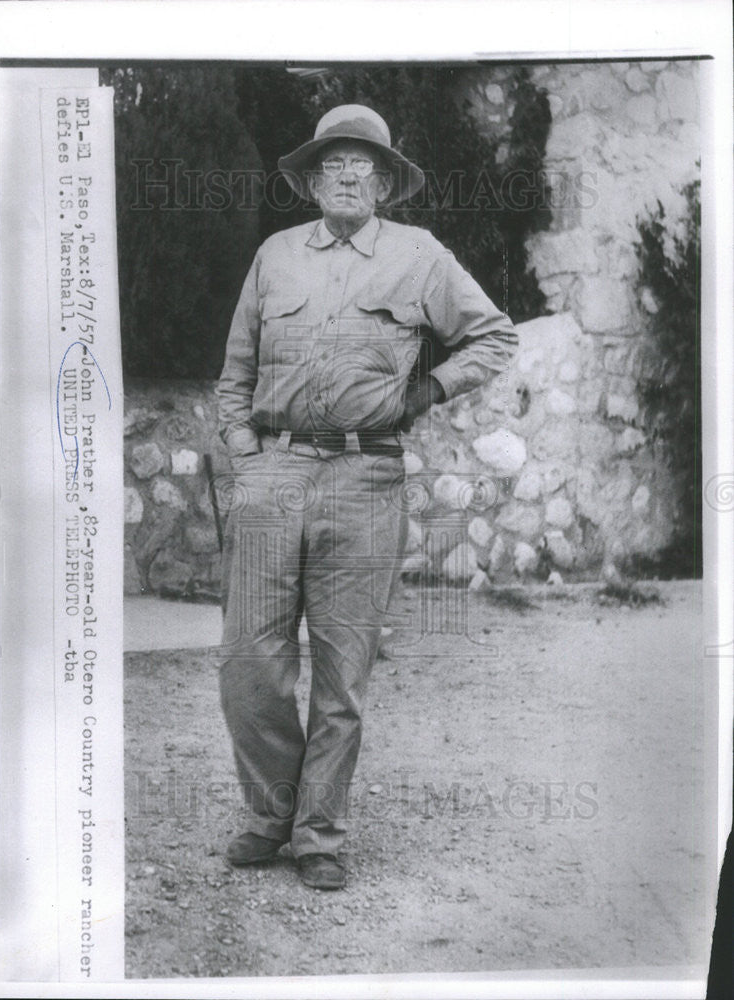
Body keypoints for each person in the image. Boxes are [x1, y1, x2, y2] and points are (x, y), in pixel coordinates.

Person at [215, 104, 517, 890]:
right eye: (332, 165)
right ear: (312, 180)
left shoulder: (420, 257)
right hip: (274, 474)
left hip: (367, 477)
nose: (348, 176)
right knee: (251, 665)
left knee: (343, 672)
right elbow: (234, 376)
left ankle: (318, 834)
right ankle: (269, 812)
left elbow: (494, 336)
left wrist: (428, 391)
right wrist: (248, 457)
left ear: (385, 182)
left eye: (364, 166)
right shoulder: (274, 256)